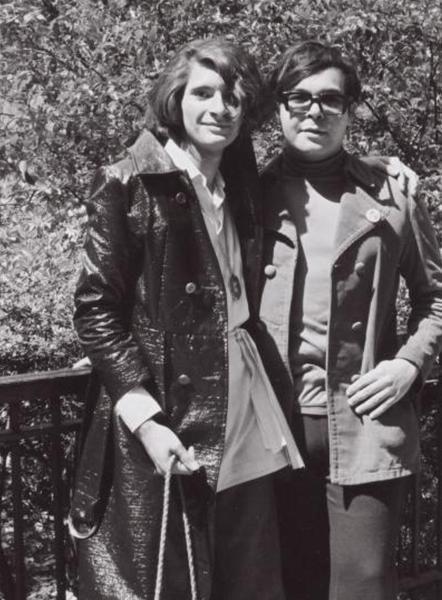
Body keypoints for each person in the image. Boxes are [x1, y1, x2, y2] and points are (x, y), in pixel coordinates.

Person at [69, 38, 304, 600]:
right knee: (172, 582)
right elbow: (95, 308)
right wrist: (146, 420)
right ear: (176, 99)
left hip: (248, 407)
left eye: (234, 96)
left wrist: (380, 169)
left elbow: (314, 168)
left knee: (250, 579)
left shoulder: (238, 177)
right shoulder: (129, 181)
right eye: (203, 93)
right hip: (168, 418)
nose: (219, 108)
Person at [254, 41, 442, 600]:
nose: (313, 111)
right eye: (298, 98)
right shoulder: (247, 196)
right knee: (287, 585)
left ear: (350, 109)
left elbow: (437, 297)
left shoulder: (391, 197)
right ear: (278, 108)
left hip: (363, 426)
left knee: (361, 587)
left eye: (330, 99)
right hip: (270, 429)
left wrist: (409, 365)